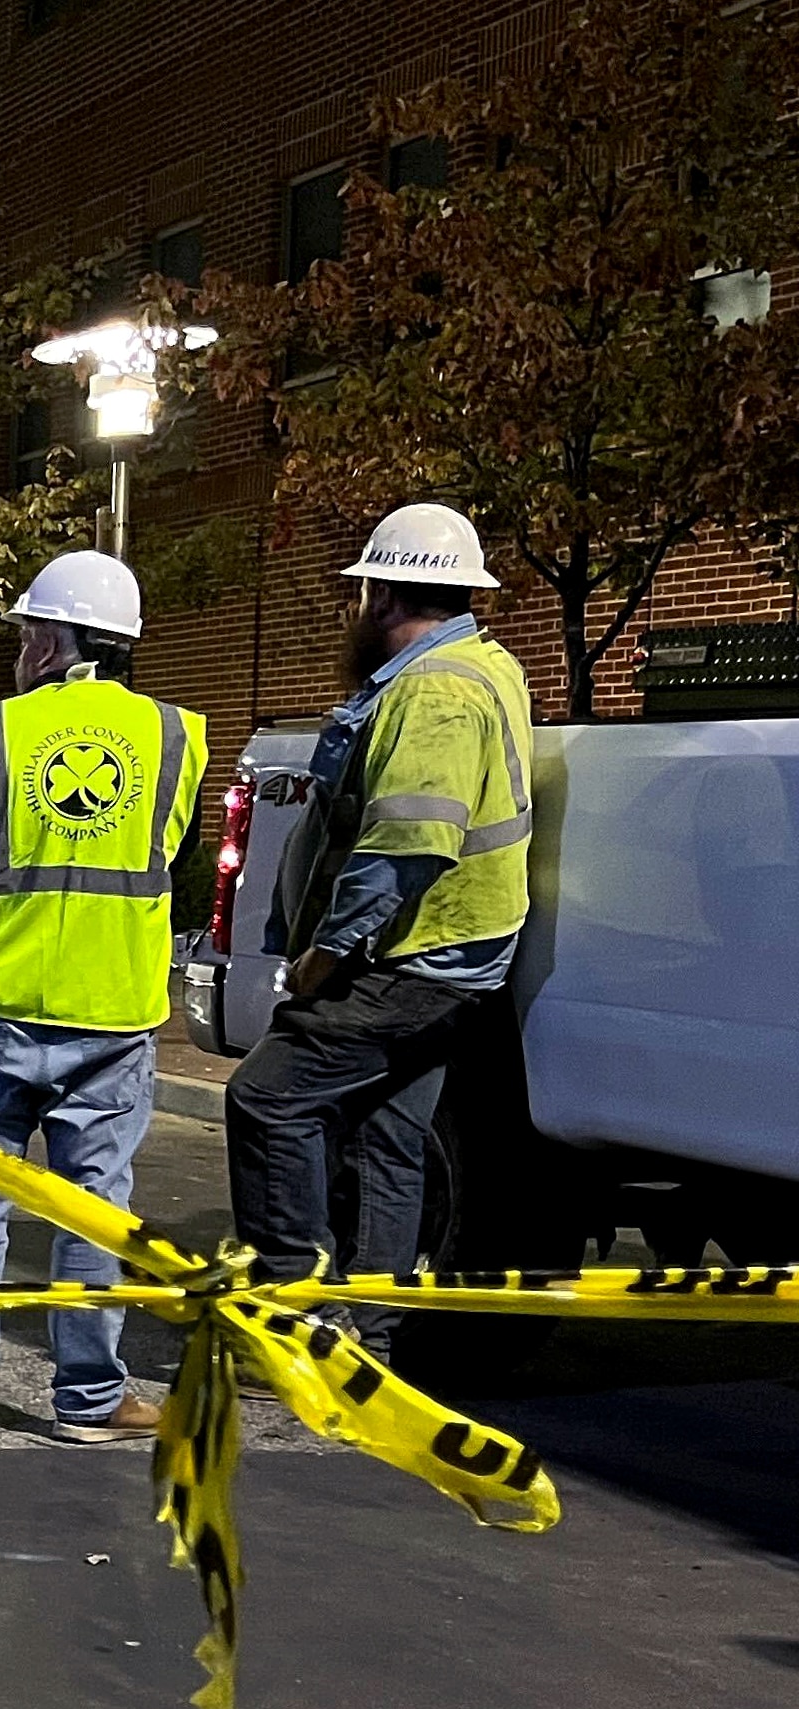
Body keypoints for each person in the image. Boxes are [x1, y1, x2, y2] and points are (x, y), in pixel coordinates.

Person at [0, 547, 209, 1443]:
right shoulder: (176, 738)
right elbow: (178, 870)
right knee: (93, 1208)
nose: (21, 646)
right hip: (115, 1013)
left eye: (30, 631)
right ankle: (89, 1402)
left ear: (59, 641)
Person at [224, 504, 535, 1349]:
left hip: (406, 957)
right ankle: (370, 1340)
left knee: (267, 1100)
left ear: (384, 594)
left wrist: (327, 952)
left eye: (360, 589)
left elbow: (409, 845)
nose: (353, 606)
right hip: (454, 963)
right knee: (392, 1139)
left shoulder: (434, 692)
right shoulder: (483, 664)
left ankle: (295, 1319)